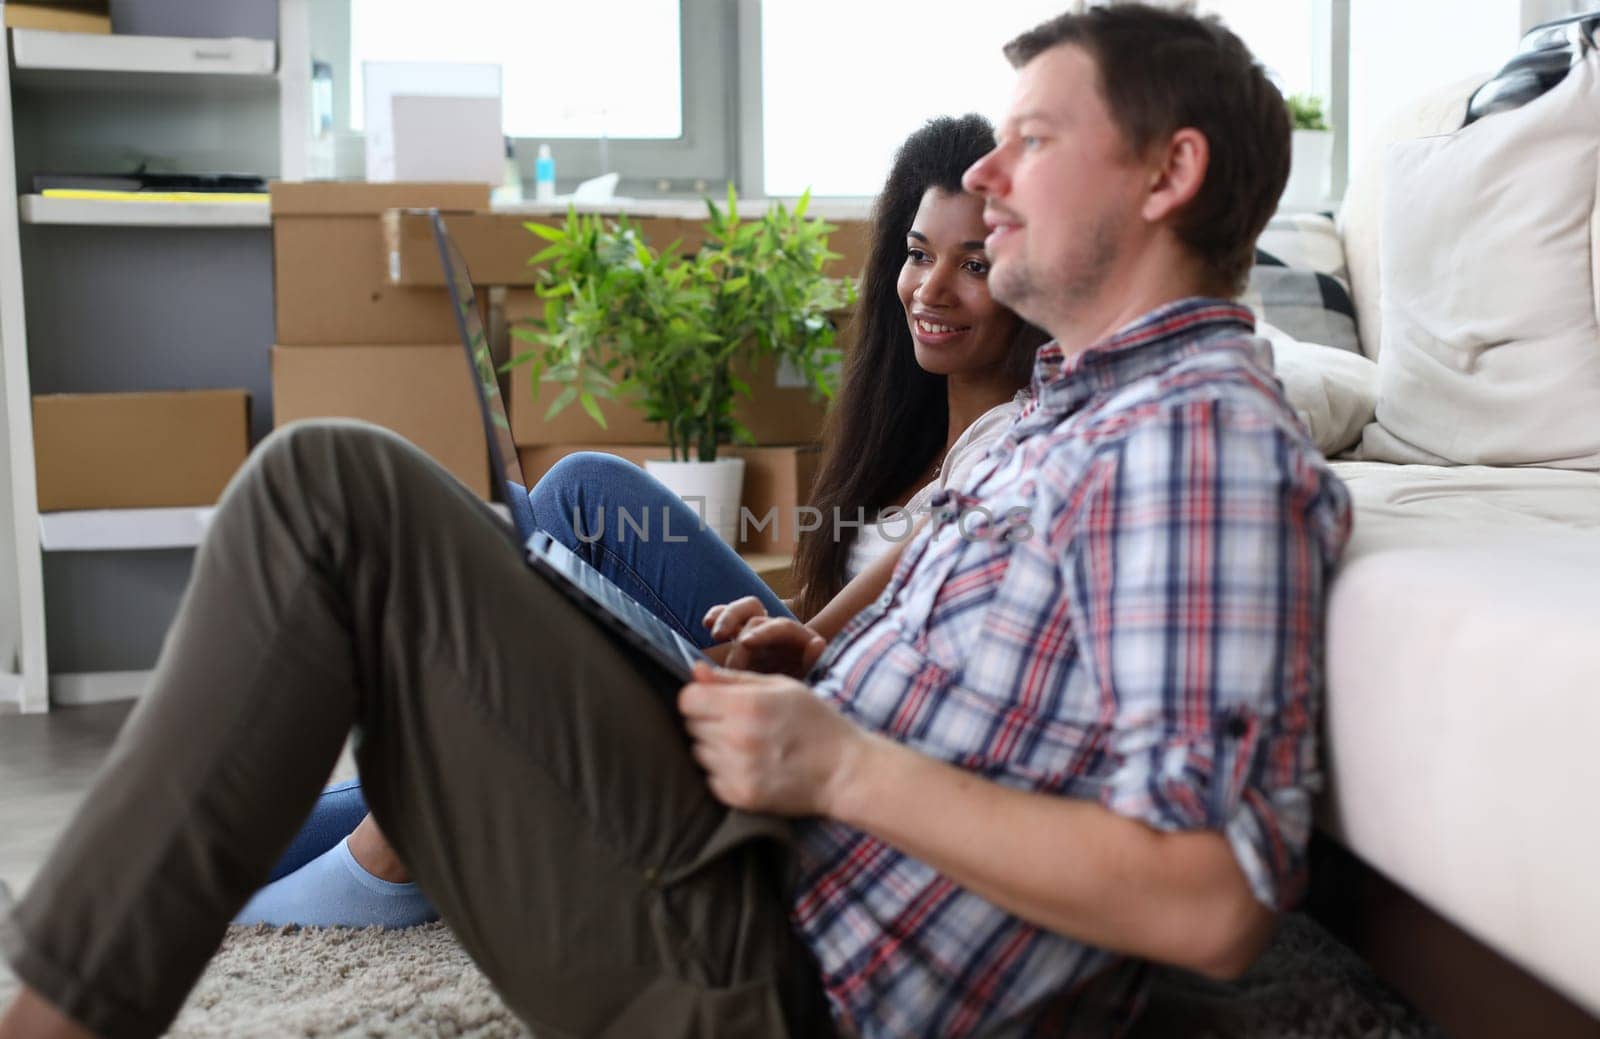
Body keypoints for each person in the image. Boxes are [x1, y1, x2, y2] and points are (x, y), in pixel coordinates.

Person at [0, 6, 1353, 1037]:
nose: (989, 175)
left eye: (1035, 140)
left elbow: (1213, 894)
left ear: (1171, 172)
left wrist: (841, 766)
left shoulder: (1194, 437)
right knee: (427, 550)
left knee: (331, 497)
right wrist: (817, 669)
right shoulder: (1071, 411)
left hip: (770, 965)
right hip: (764, 851)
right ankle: (129, 913)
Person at [230, 113, 1051, 930]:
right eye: (916, 254)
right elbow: (832, 622)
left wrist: (788, 642)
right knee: (516, 530)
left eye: (972, 264)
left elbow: (856, 630)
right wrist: (761, 635)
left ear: (1030, 273)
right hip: (799, 680)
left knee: (577, 500)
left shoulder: (1020, 435)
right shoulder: (912, 441)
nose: (931, 288)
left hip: (830, 723)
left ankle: (362, 857)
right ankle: (276, 857)